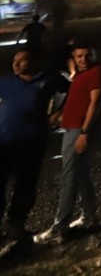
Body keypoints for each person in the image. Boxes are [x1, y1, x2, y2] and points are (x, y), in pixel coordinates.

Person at [34, 42, 101, 245]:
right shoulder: (80, 74)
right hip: (73, 127)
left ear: (94, 55)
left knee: (68, 175)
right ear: (73, 58)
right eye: (79, 56)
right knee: (81, 172)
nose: (83, 59)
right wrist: (58, 114)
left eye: (87, 55)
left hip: (79, 129)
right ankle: (89, 214)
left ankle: (59, 228)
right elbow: (73, 99)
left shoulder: (96, 72)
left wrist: (84, 132)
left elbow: (96, 103)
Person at [0, 48, 56, 255]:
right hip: (3, 143)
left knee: (25, 185)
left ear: (34, 62)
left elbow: (72, 90)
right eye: (15, 60)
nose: (16, 64)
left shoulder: (48, 80)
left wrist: (57, 113)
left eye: (22, 60)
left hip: (31, 143)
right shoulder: (6, 82)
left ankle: (15, 226)